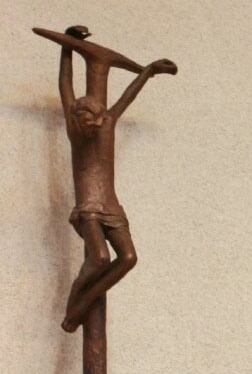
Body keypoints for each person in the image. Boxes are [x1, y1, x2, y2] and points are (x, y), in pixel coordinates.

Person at [34, 24, 177, 332]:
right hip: (88, 209)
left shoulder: (108, 125)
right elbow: (65, 86)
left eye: (91, 118)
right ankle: (75, 303)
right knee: (99, 257)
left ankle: (84, 300)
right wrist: (67, 44)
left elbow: (127, 96)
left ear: (100, 117)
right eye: (81, 118)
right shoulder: (75, 133)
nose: (87, 124)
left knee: (128, 258)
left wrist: (149, 71)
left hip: (112, 207)